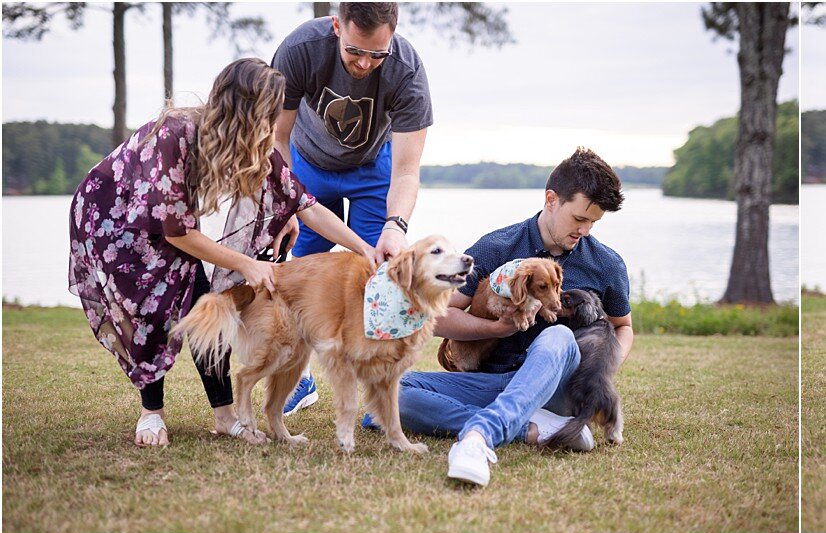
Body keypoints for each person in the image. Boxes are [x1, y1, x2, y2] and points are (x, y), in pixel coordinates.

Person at [68, 57, 376, 450]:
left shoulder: (254, 143)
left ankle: (225, 415)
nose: (274, 125)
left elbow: (307, 203)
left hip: (167, 223)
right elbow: (177, 232)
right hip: (113, 217)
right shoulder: (175, 134)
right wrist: (246, 263)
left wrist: (363, 248)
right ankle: (151, 412)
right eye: (268, 114)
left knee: (204, 307)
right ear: (243, 111)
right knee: (149, 311)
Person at [382, 147, 635, 488]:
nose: (585, 231)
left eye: (593, 222)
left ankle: (480, 435)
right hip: (493, 382)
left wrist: (600, 372)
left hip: (559, 389)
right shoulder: (496, 247)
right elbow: (439, 315)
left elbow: (623, 328)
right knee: (396, 393)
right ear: (551, 199)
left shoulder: (606, 264)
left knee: (557, 336)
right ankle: (532, 427)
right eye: (579, 219)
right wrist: (495, 328)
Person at [271, 1, 433, 414]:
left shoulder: (407, 72)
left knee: (375, 269)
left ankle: (376, 383)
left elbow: (407, 170)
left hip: (372, 167)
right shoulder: (302, 49)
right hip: (305, 162)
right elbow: (276, 138)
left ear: (393, 35)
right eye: (354, 51)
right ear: (336, 26)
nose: (364, 64)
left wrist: (396, 225)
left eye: (376, 54)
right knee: (305, 264)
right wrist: (287, 202)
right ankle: (299, 377)